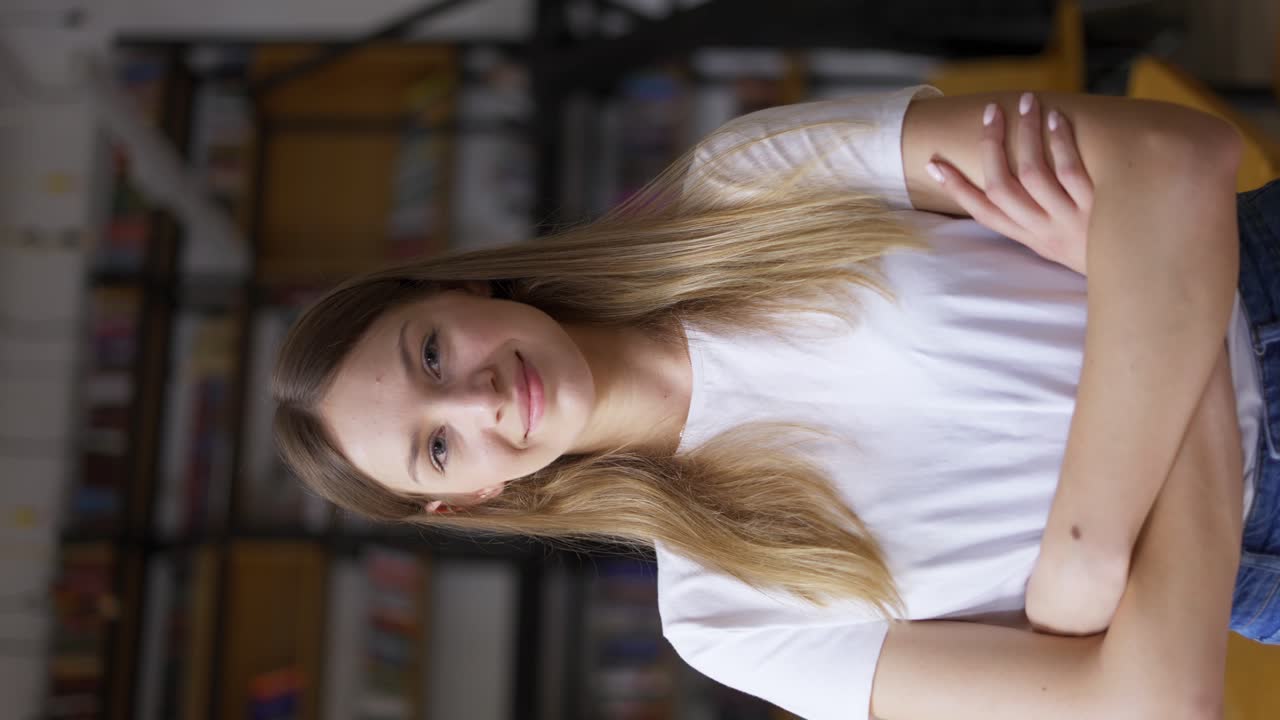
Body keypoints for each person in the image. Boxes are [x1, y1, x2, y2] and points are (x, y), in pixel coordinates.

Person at [273, 84, 1277, 719]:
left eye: (431, 353)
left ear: (458, 287)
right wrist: (1135, 276)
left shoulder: (744, 183)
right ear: (468, 499)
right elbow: (1155, 701)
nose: (475, 401)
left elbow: (1175, 157)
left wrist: (1089, 549)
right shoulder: (722, 621)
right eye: (437, 448)